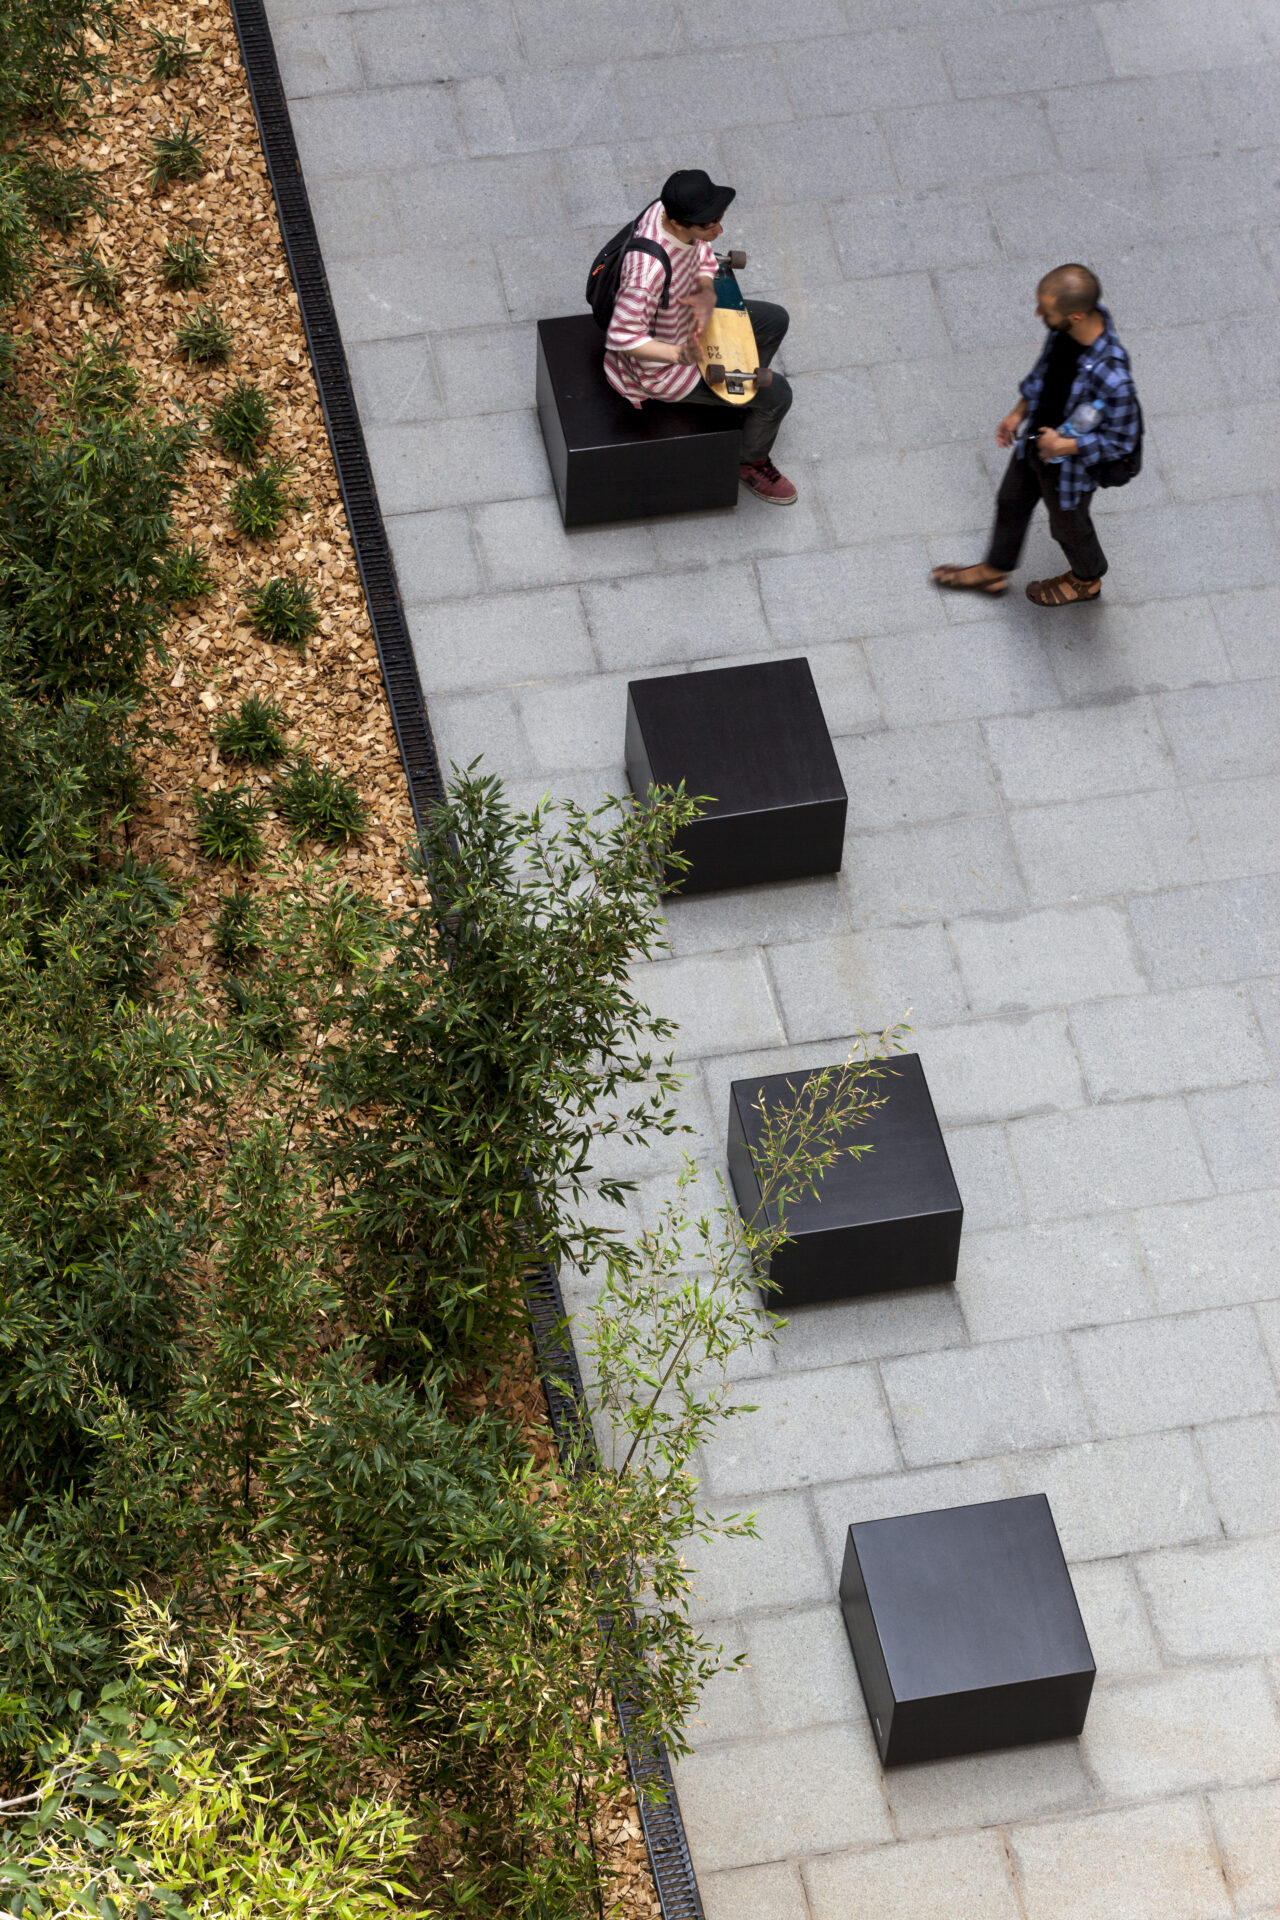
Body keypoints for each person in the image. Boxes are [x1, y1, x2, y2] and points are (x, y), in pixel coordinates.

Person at [932, 264, 1140, 605]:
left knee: (1068, 528)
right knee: (1011, 501)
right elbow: (1043, 374)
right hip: (1034, 444)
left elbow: (1121, 442)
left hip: (1070, 468)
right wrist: (1018, 413)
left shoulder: (1113, 377)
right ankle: (994, 570)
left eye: (1045, 309)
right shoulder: (1065, 330)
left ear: (1075, 315)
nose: (1038, 313)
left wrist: (1065, 444)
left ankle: (1087, 579)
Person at [603, 169, 797, 505]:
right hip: (665, 369)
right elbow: (622, 337)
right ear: (678, 223)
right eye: (709, 226)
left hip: (690, 319)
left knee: (774, 319)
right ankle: (749, 461)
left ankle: (739, 399)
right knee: (778, 394)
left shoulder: (663, 210)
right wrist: (678, 355)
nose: (718, 230)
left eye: (718, 220)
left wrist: (706, 288)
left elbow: (700, 253)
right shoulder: (646, 275)